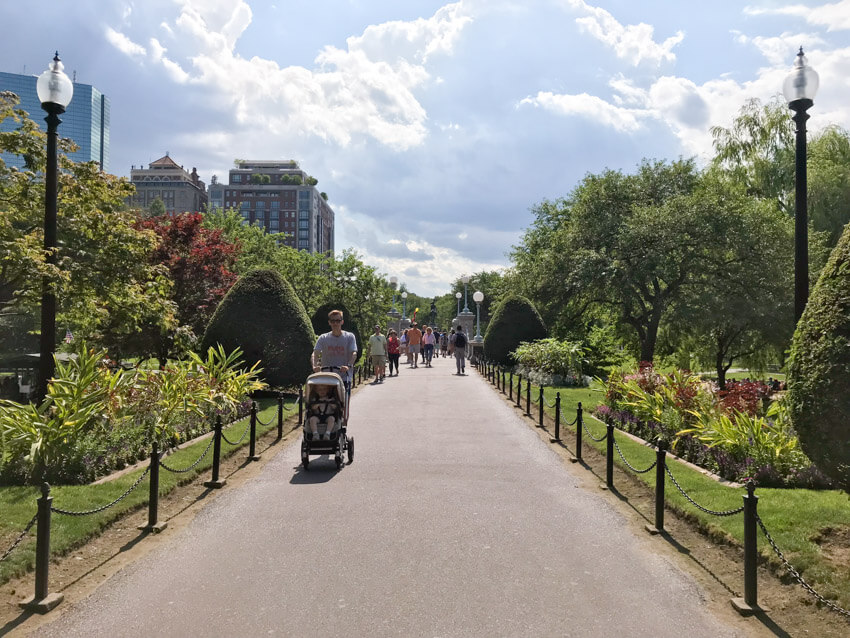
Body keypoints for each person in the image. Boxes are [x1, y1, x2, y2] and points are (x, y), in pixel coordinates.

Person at [311, 309, 358, 388]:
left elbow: (354, 353)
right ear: (329, 322)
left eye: (338, 321)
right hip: (327, 375)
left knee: (342, 399)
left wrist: (348, 365)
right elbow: (315, 353)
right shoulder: (323, 338)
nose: (335, 323)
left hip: (343, 376)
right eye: (333, 321)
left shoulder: (349, 337)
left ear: (342, 322)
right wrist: (314, 366)